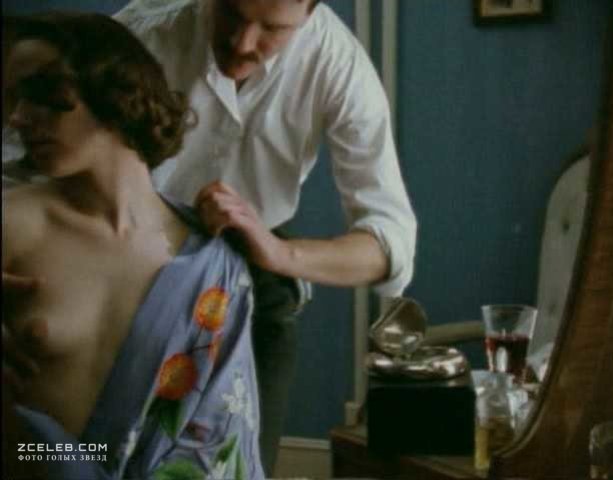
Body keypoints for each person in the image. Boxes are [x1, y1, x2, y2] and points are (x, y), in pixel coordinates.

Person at [4, 0, 418, 473]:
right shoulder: (133, 40)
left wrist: (280, 253)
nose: (242, 43)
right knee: (55, 451)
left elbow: (390, 241)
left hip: (240, 274)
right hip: (92, 253)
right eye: (231, 15)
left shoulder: (338, 65)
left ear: (309, 12)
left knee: (229, 452)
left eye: (272, 29)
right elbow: (16, 149)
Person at [2, 13, 264, 479]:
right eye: (13, 98)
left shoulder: (211, 265)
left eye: (42, 92)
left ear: (115, 92)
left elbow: (218, 440)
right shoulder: (12, 225)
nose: (18, 117)